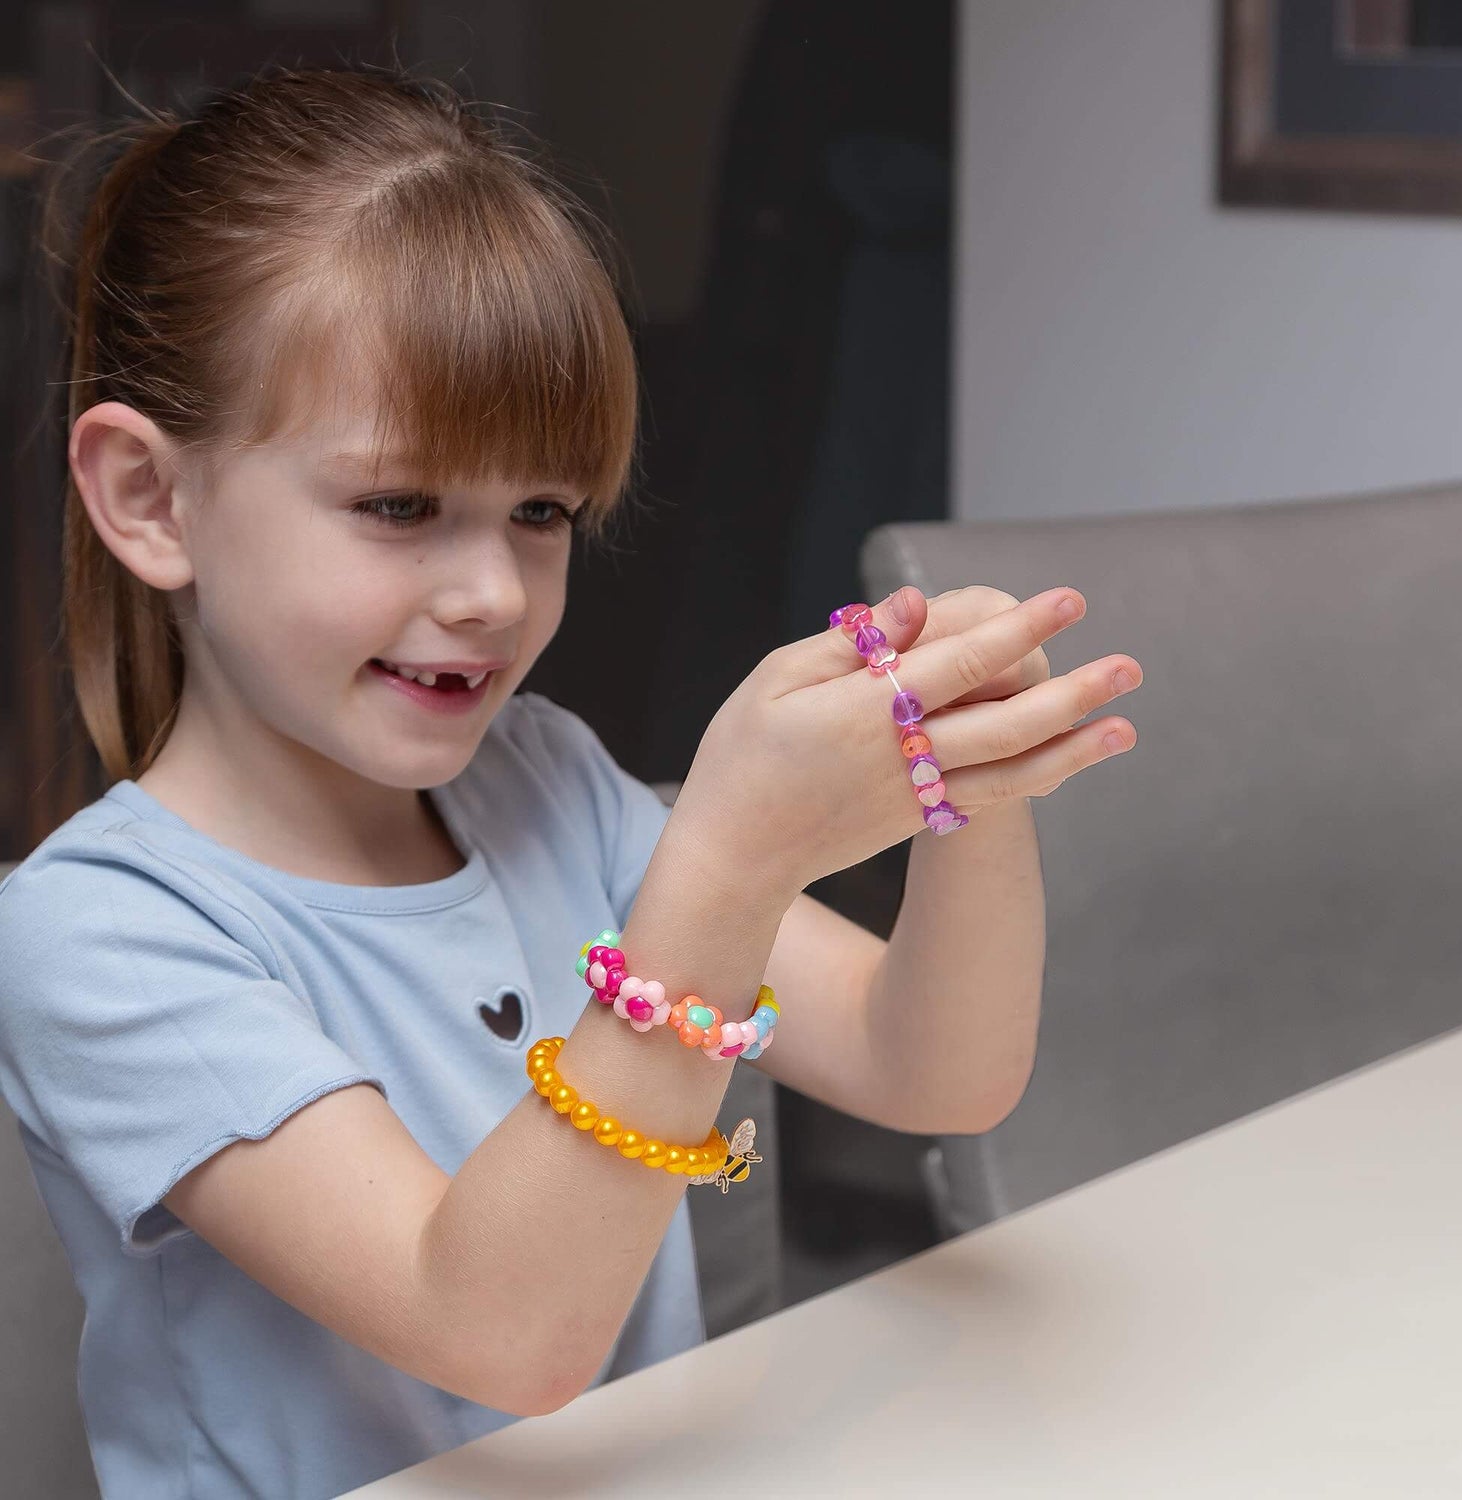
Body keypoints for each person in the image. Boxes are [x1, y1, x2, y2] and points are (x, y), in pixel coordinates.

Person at [0, 64, 1140, 1500]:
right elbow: (497, 1336)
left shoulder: (547, 784)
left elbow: (941, 1075)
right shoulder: (101, 935)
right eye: (400, 506)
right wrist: (725, 863)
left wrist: (973, 775)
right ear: (150, 499)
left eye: (540, 512)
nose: (490, 591)